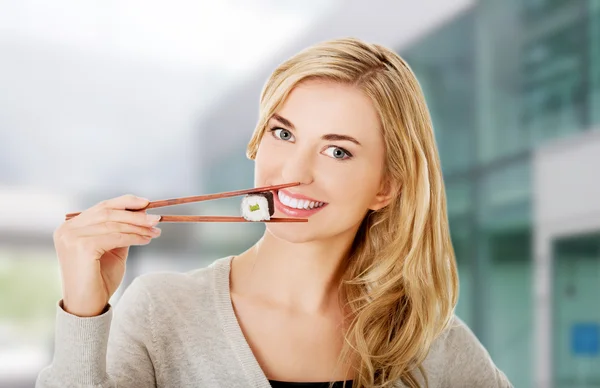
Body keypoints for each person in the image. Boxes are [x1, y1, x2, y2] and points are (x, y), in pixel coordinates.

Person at [36, 37, 513, 388]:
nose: (295, 172)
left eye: (338, 151)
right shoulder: (163, 310)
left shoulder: (425, 338)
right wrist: (83, 305)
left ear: (385, 188)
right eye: (283, 135)